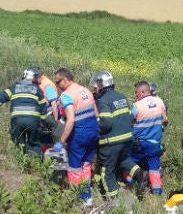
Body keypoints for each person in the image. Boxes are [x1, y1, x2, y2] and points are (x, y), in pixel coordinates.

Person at [90, 70, 146, 200]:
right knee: (122, 160)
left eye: (95, 86)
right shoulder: (122, 96)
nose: (94, 89)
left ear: (101, 85)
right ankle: (139, 173)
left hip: (111, 142)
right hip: (127, 139)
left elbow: (105, 123)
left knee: (106, 171)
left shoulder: (102, 101)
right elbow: (130, 117)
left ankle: (112, 201)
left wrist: (93, 126)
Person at [53, 68, 99, 205]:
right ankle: (87, 197)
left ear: (65, 80)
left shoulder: (66, 95)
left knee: (74, 167)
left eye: (57, 82)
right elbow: (96, 114)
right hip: (94, 131)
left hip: (79, 133)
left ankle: (76, 199)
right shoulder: (85, 90)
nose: (57, 85)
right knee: (86, 165)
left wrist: (61, 141)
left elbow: (71, 119)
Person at [0, 67, 48, 157]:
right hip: (33, 122)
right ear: (33, 78)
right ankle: (35, 166)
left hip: (17, 120)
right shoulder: (38, 90)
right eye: (38, 78)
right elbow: (43, 109)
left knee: (18, 144)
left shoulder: (14, 88)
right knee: (34, 144)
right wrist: (43, 124)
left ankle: (20, 164)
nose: (40, 81)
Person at [130, 81, 168, 196]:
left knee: (127, 160)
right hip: (155, 143)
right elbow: (164, 119)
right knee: (154, 166)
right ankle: (156, 191)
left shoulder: (137, 106)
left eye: (136, 92)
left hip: (140, 144)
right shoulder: (160, 101)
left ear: (142, 92)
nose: (135, 95)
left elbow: (129, 123)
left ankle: (132, 182)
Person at [31, 66, 60, 149]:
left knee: (47, 137)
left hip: (49, 115)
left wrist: (56, 121)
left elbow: (54, 104)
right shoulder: (39, 83)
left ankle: (49, 154)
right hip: (43, 115)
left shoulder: (47, 85)